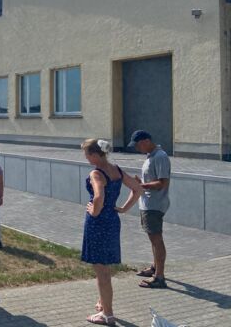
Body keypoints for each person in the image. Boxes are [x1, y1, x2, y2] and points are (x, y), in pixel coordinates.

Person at [81, 139, 142, 326]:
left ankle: (107, 314)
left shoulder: (96, 173)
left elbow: (99, 196)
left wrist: (95, 211)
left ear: (94, 154)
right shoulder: (116, 170)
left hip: (98, 223)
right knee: (105, 267)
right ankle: (103, 301)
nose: (86, 158)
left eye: (86, 154)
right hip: (113, 221)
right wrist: (123, 208)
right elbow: (138, 189)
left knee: (101, 271)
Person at [128, 130, 171, 289]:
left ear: (146, 141)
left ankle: (159, 277)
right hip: (148, 203)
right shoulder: (151, 156)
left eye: (138, 145)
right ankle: (155, 268)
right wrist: (142, 182)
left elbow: (162, 183)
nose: (137, 149)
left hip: (154, 205)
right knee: (153, 239)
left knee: (156, 240)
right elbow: (152, 181)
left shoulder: (160, 157)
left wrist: (141, 185)